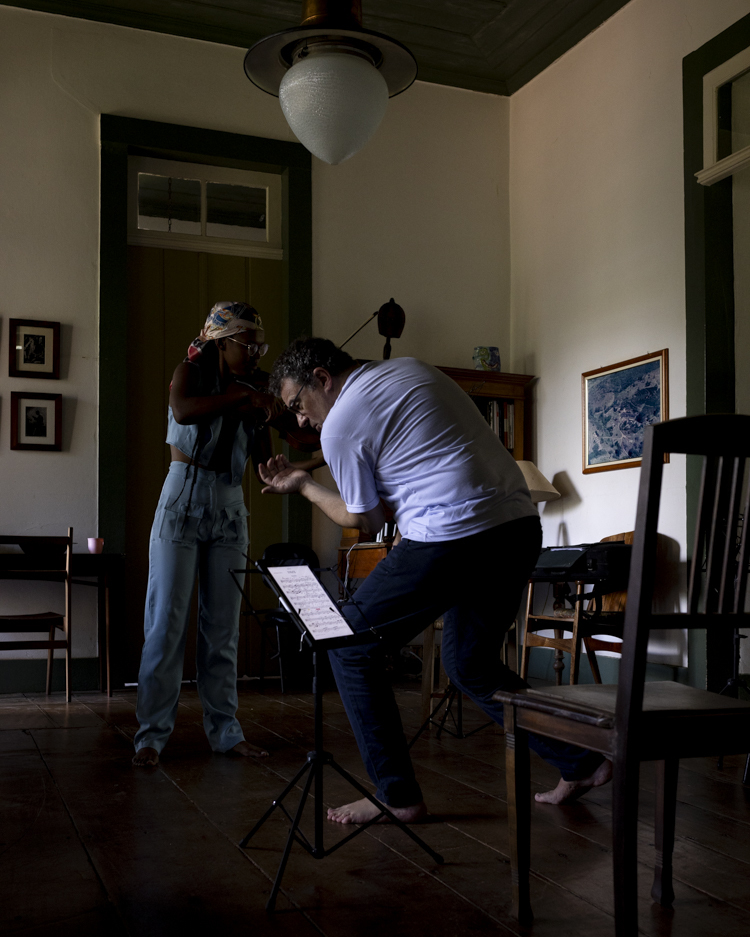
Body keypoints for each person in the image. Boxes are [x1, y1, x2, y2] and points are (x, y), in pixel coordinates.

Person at [258, 338, 612, 820]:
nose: (300, 420)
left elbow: (362, 519)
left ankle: (396, 795)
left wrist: (303, 485)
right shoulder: (410, 369)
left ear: (322, 378)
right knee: (470, 664)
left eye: (298, 404)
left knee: (347, 645)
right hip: (518, 529)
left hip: (454, 536)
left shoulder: (339, 424)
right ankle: (582, 760)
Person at [132, 303, 322, 767]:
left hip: (230, 506)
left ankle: (226, 732)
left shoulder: (258, 389)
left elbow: (296, 441)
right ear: (222, 340)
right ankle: (150, 738)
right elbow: (183, 409)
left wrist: (298, 421)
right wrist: (245, 398)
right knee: (166, 624)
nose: (257, 353)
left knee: (222, 629)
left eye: (261, 344)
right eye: (248, 343)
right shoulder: (190, 372)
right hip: (183, 499)